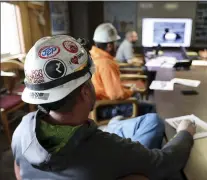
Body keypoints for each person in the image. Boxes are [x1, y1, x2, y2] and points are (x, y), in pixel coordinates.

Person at [12, 35, 196, 180]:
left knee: (118, 122)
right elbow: (167, 163)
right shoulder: (104, 148)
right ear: (85, 91)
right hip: (110, 153)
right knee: (151, 124)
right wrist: (185, 132)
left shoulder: (21, 131)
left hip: (102, 141)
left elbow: (19, 172)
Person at [91, 23, 154, 118]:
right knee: (150, 108)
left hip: (98, 105)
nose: (116, 46)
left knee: (136, 98)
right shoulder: (105, 63)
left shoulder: (93, 57)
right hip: (105, 108)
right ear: (109, 46)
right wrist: (131, 91)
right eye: (115, 43)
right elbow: (115, 95)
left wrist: (127, 90)